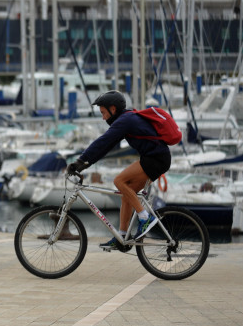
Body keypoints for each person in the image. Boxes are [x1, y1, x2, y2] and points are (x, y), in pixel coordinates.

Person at [66, 90, 172, 250]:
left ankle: (145, 218)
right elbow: (106, 146)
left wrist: (80, 160)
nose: (102, 117)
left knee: (119, 181)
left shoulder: (125, 120)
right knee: (126, 193)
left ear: (113, 109)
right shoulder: (125, 119)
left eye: (103, 112)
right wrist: (85, 163)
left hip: (155, 159)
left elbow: (103, 141)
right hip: (155, 158)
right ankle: (122, 236)